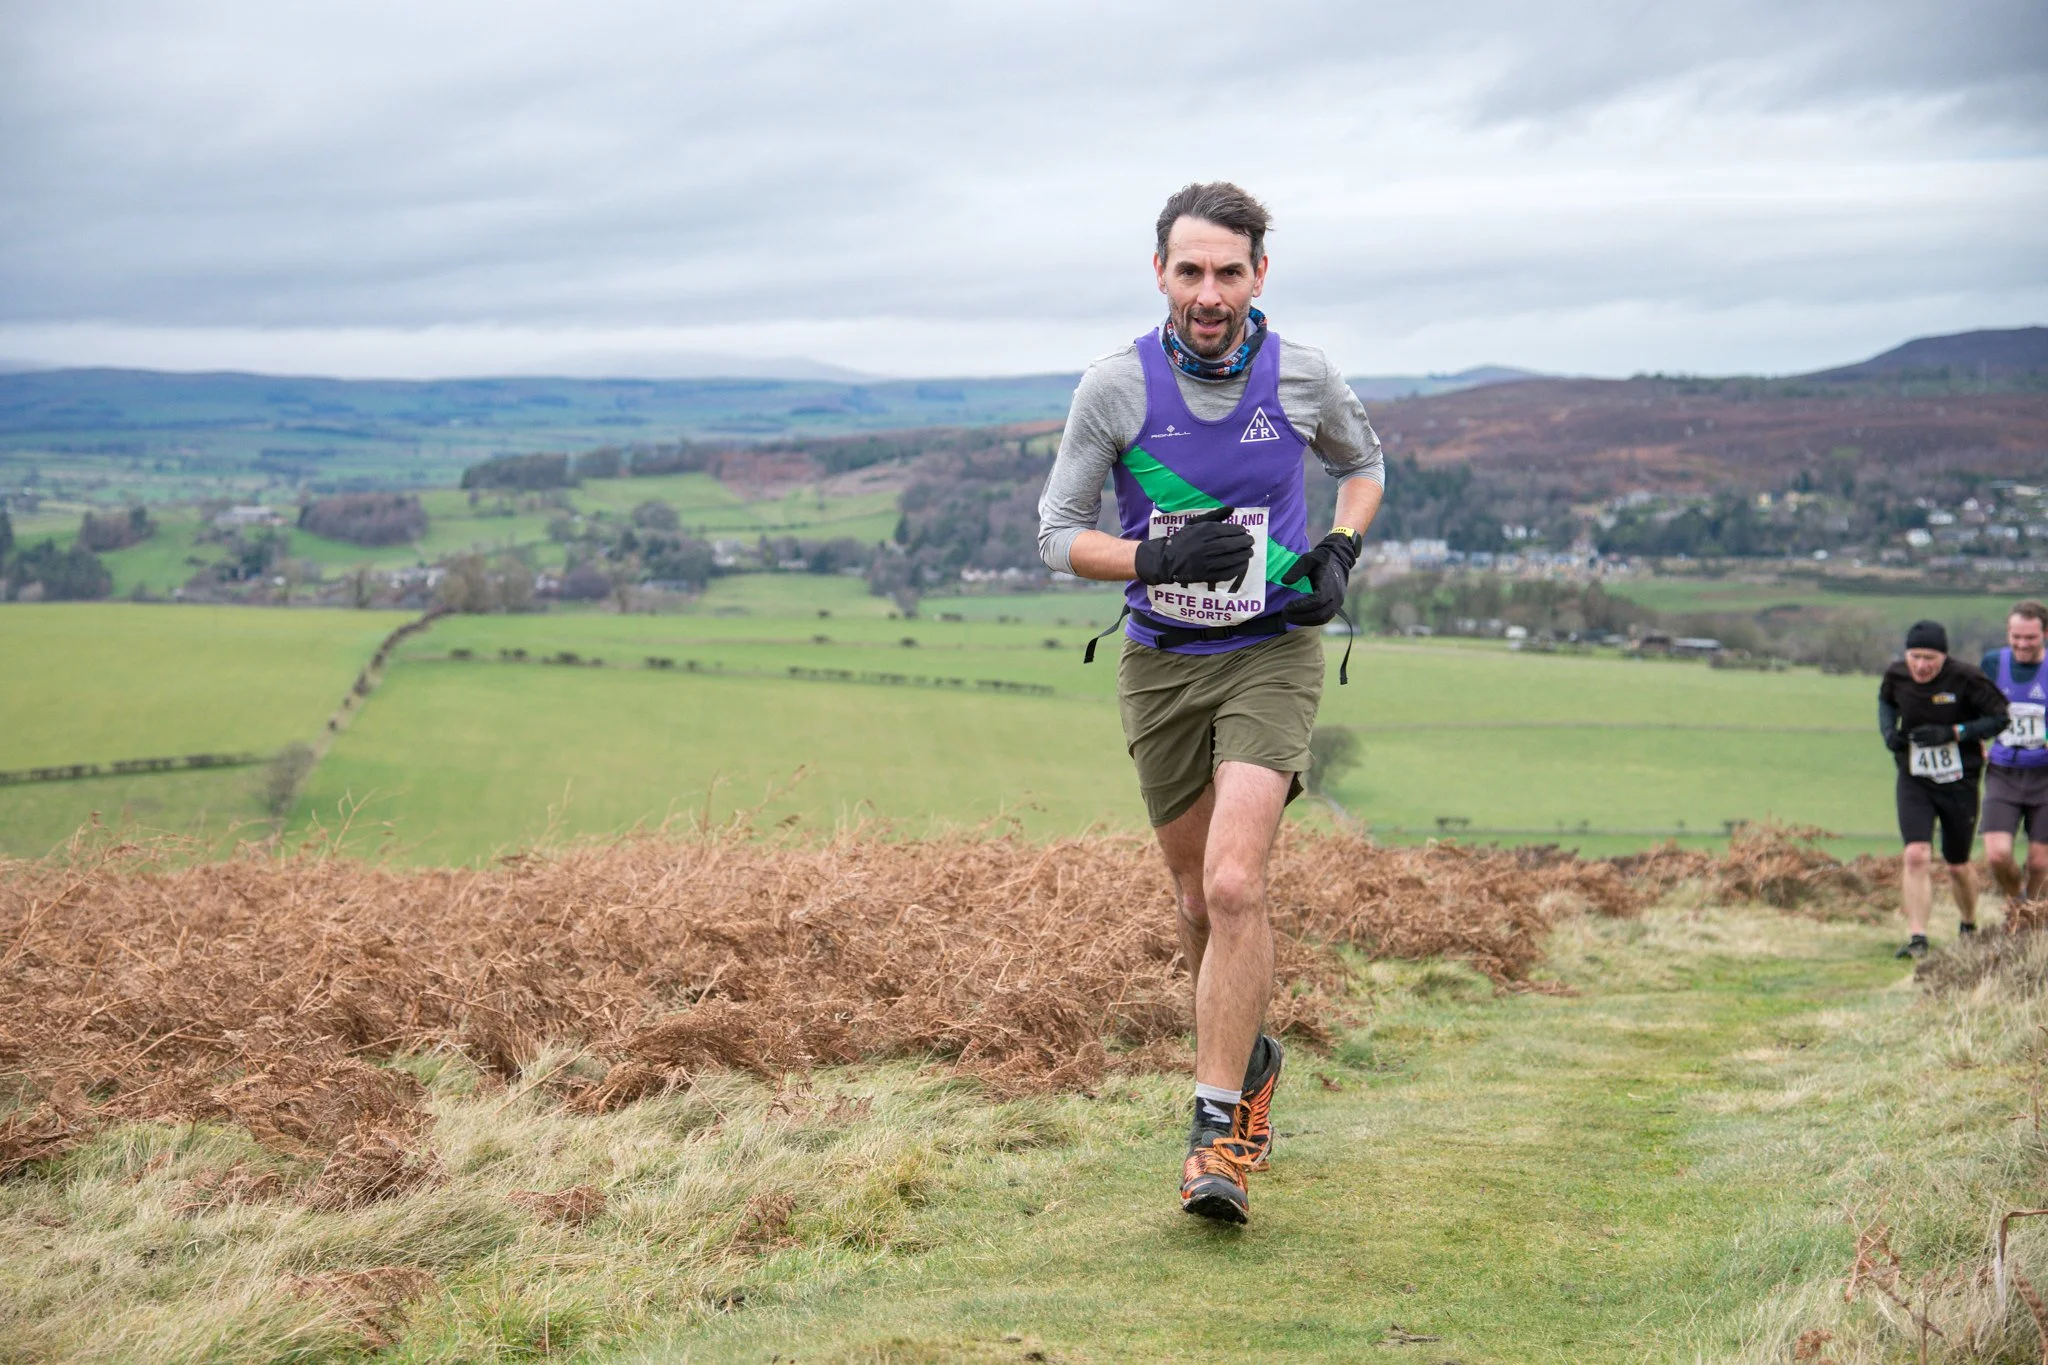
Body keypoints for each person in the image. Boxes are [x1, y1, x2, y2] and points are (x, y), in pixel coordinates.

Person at [1036, 182, 1385, 1224]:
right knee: (1193, 904)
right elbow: (1056, 536)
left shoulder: (1304, 375)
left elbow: (1361, 466)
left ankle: (1214, 1131)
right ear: (1159, 275)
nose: (1208, 292)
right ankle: (1249, 1055)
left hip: (1271, 651)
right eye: (1188, 271)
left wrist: (1339, 549)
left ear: (1257, 276)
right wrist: (1149, 553)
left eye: (1227, 271)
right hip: (1161, 663)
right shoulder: (1114, 388)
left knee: (1236, 886)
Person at [1877, 620, 2008, 959]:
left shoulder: (1966, 678)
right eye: (1915, 656)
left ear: (1943, 657)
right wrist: (1889, 731)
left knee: (1956, 863)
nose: (1921, 666)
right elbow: (1886, 700)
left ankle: (1968, 923)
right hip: (1915, 778)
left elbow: (2000, 718)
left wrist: (1954, 731)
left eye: (1930, 658)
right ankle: (1918, 937)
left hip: (1959, 781)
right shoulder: (1896, 675)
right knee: (1916, 854)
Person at [1983, 601, 2048, 911]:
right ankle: (2018, 903)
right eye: (2016, 636)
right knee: (1997, 854)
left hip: (2045, 776)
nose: (2022, 644)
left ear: (2045, 634)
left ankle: (2033, 922)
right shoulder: (1993, 663)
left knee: (2039, 863)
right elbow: (1976, 708)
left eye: (2030, 638)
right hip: (2003, 772)